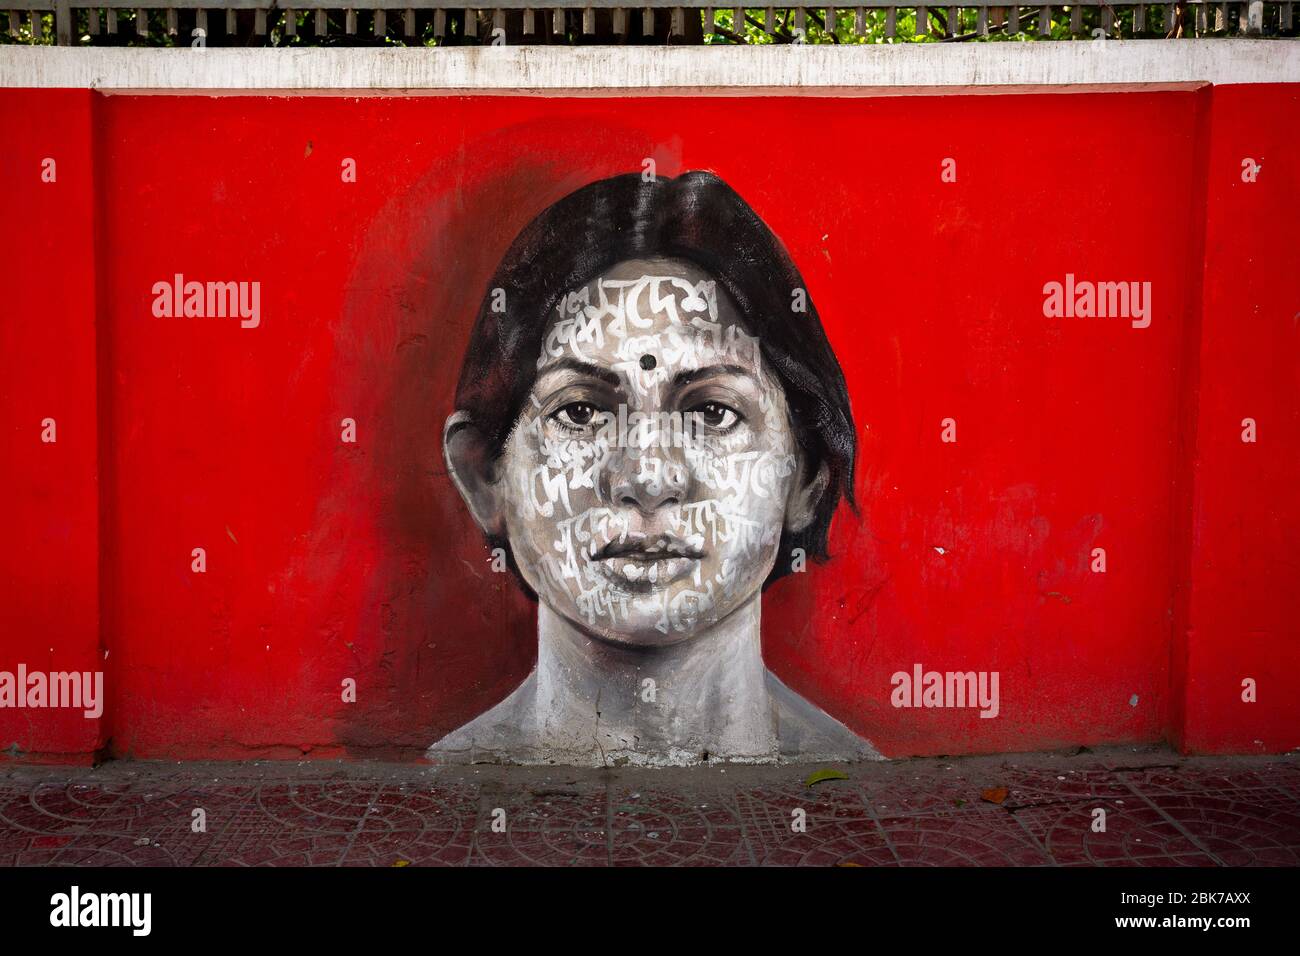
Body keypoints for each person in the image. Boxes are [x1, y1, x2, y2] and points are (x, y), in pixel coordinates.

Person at [431, 170, 879, 766]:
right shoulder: (443, 791)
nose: (646, 478)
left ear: (807, 475)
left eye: (714, 412)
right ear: (485, 475)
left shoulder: (851, 798)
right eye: (582, 411)